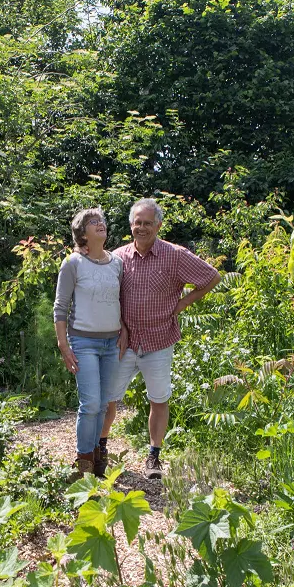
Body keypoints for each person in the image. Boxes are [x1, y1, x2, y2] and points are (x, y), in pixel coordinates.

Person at [102, 198, 220, 479]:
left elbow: (211, 277)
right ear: (131, 225)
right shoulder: (117, 257)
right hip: (124, 341)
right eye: (137, 222)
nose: (141, 228)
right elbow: (108, 296)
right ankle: (100, 450)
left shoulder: (175, 255)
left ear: (158, 225)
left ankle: (154, 457)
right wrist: (120, 325)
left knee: (159, 399)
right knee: (109, 398)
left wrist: (180, 305)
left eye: (147, 223)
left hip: (159, 339)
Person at [53, 207, 122, 478]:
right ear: (82, 233)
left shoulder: (116, 263)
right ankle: (83, 466)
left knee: (104, 406)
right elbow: (60, 307)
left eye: (102, 221)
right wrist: (63, 344)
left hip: (112, 343)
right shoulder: (73, 263)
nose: (100, 224)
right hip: (83, 342)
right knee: (91, 404)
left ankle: (96, 461)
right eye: (93, 222)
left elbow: (121, 302)